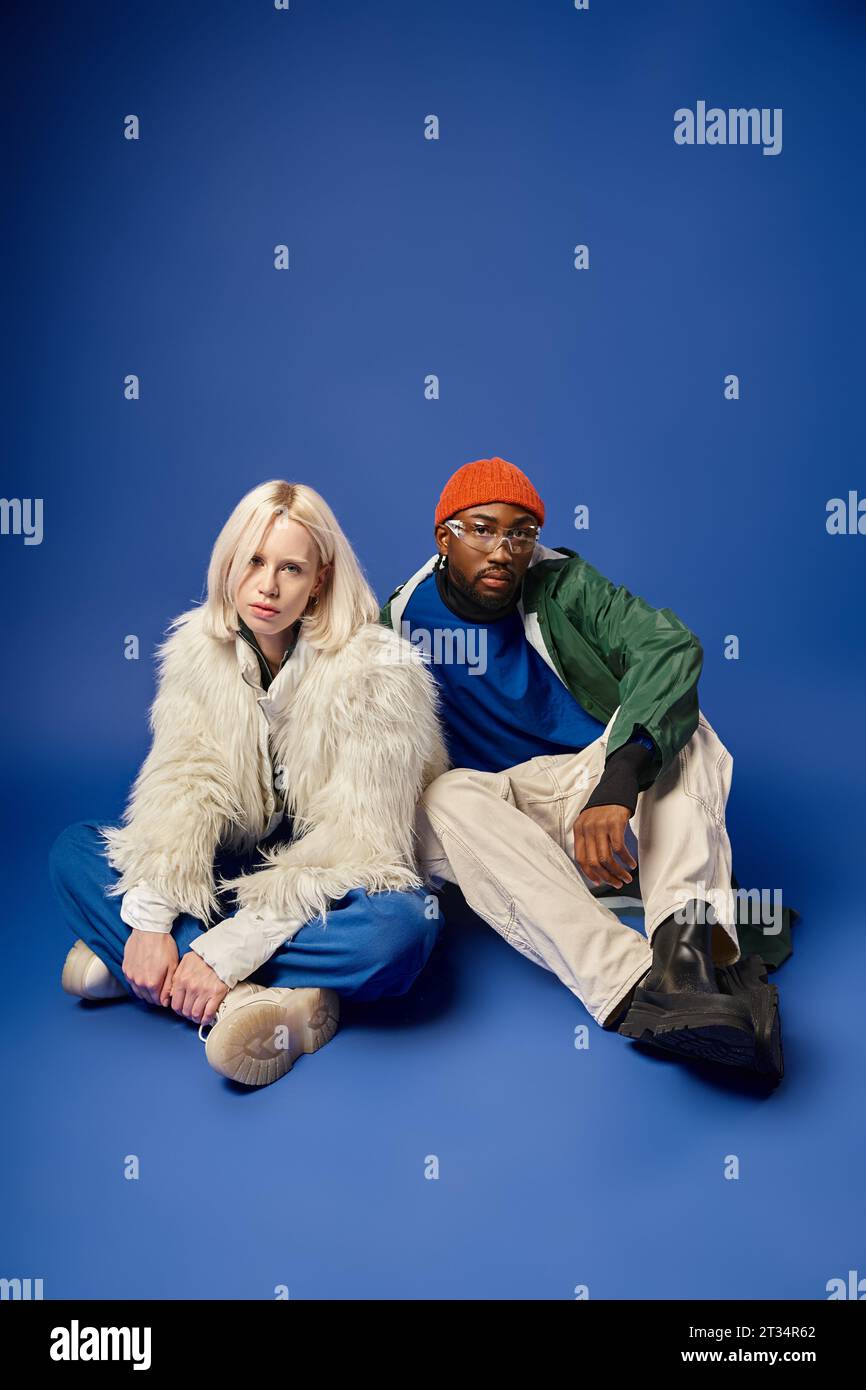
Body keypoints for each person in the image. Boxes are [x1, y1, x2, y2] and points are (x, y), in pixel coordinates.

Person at [380, 456, 784, 1082]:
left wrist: (616, 785)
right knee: (441, 798)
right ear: (444, 538)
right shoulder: (399, 623)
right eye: (482, 530)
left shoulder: (565, 584)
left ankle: (683, 964)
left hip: (601, 795)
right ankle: (629, 984)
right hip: (508, 820)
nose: (504, 550)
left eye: (520, 533)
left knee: (687, 731)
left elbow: (669, 647)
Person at [49, 480, 449, 1088]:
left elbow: (362, 848)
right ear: (229, 563)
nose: (268, 585)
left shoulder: (380, 672)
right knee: (73, 851)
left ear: (320, 579)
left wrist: (224, 950)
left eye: (291, 568)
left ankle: (159, 968)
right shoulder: (194, 651)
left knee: (403, 935)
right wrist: (154, 918)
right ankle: (255, 1003)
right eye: (255, 561)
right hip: (234, 869)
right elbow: (182, 789)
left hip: (338, 889)